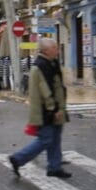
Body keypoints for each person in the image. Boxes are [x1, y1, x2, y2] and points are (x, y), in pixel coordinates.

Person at [9, 37, 71, 179]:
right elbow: (46, 90)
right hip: (46, 111)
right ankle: (18, 159)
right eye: (55, 47)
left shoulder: (51, 63)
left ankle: (54, 167)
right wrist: (54, 109)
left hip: (54, 109)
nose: (57, 50)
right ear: (47, 50)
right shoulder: (42, 66)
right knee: (46, 139)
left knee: (55, 139)